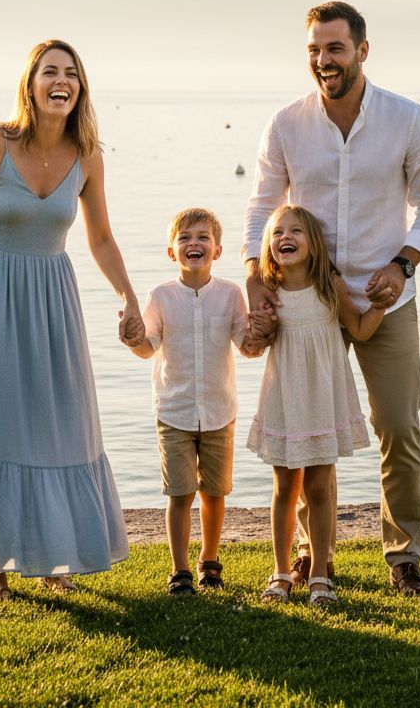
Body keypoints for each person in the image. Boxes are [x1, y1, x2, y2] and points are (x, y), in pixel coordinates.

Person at [242, 1, 420, 596]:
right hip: (307, 303)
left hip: (386, 299)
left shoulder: (408, 120)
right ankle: (312, 558)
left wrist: (403, 264)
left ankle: (403, 556)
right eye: (313, 49)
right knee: (307, 435)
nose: (322, 60)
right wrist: (255, 276)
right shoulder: (286, 124)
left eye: (333, 48)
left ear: (362, 50)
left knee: (399, 427)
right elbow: (262, 207)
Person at [0, 38, 142, 601]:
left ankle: (54, 553)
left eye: (71, 74)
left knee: (61, 426)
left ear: (80, 88)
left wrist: (127, 295)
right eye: (50, 72)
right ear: (30, 84)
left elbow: (100, 238)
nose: (62, 81)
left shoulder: (88, 155)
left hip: (54, 298)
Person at [127, 208, 266, 596]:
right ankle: (180, 570)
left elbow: (246, 345)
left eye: (203, 237)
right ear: (172, 252)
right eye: (185, 238)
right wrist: (132, 336)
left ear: (218, 250)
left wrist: (262, 332)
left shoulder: (231, 294)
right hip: (174, 412)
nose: (194, 244)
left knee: (215, 492)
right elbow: (147, 348)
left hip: (220, 411)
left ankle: (209, 560)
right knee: (180, 494)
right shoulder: (161, 297)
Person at [248, 205, 380, 607]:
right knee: (285, 488)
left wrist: (382, 305)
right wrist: (260, 326)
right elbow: (254, 344)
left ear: (314, 242)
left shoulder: (329, 286)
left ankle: (320, 574)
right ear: (270, 247)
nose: (284, 238)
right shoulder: (269, 292)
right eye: (277, 233)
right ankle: (282, 572)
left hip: (322, 400)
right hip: (285, 399)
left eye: (295, 231)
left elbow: (358, 328)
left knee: (319, 487)